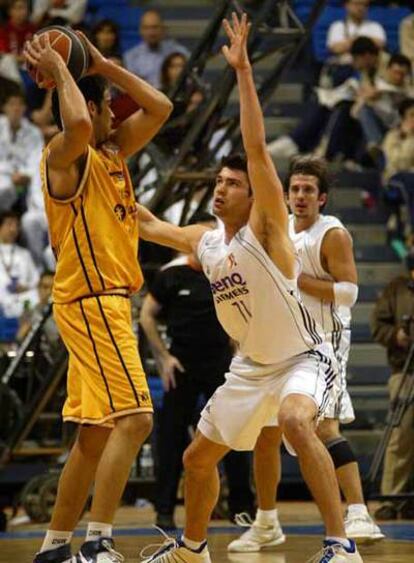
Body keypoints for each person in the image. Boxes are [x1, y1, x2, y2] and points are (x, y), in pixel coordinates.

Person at [137, 13, 362, 563]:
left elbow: (257, 149)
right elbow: (147, 224)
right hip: (250, 366)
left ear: (254, 195)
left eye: (231, 184)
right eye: (218, 182)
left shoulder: (268, 227)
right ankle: (193, 548)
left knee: (292, 421)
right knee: (195, 459)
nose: (221, 189)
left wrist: (240, 73)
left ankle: (342, 544)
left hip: (303, 356)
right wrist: (106, 174)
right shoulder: (209, 241)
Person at [23, 27, 172, 563]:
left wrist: (103, 65)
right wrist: (63, 68)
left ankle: (55, 546)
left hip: (103, 304)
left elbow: (161, 106)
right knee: (137, 419)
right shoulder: (64, 156)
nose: (118, 118)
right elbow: (82, 123)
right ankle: (98, 542)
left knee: (93, 435)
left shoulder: (113, 155)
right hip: (92, 301)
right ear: (91, 108)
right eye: (112, 109)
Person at [228, 156, 384, 554]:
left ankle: (359, 511)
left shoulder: (331, 234)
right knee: (267, 433)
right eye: (294, 189)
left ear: (323, 198)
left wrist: (294, 279)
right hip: (289, 339)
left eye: (308, 190)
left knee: (326, 427)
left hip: (328, 339)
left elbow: (348, 293)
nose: (300, 196)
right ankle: (266, 521)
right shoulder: (283, 233)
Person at [140, 212, 254, 530]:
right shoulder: (171, 275)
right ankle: (164, 511)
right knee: (171, 439)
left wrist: (239, 350)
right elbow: (147, 316)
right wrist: (163, 358)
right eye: (201, 238)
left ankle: (243, 508)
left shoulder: (225, 270)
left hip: (220, 363)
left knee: (234, 436)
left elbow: (242, 312)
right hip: (182, 365)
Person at [371, 252, 414, 520]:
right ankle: (391, 497)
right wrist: (397, 335)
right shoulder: (397, 288)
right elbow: (378, 324)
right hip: (405, 369)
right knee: (401, 434)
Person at [0, 90, 44, 212]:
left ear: (24, 108)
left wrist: (25, 174)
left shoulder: (34, 133)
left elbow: (36, 160)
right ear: (4, 108)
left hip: (24, 178)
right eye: (12, 104)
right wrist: (9, 172)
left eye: (19, 105)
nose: (16, 109)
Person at [123, 9, 189, 89]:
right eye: (146, 28)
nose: (151, 33)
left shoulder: (179, 52)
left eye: (155, 27)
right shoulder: (131, 57)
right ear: (140, 30)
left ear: (163, 29)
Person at [0, 210, 39, 318]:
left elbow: (35, 280)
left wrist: (25, 287)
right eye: (9, 224)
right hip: (2, 300)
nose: (13, 229)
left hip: (22, 299)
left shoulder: (24, 254)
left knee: (38, 296)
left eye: (16, 225)